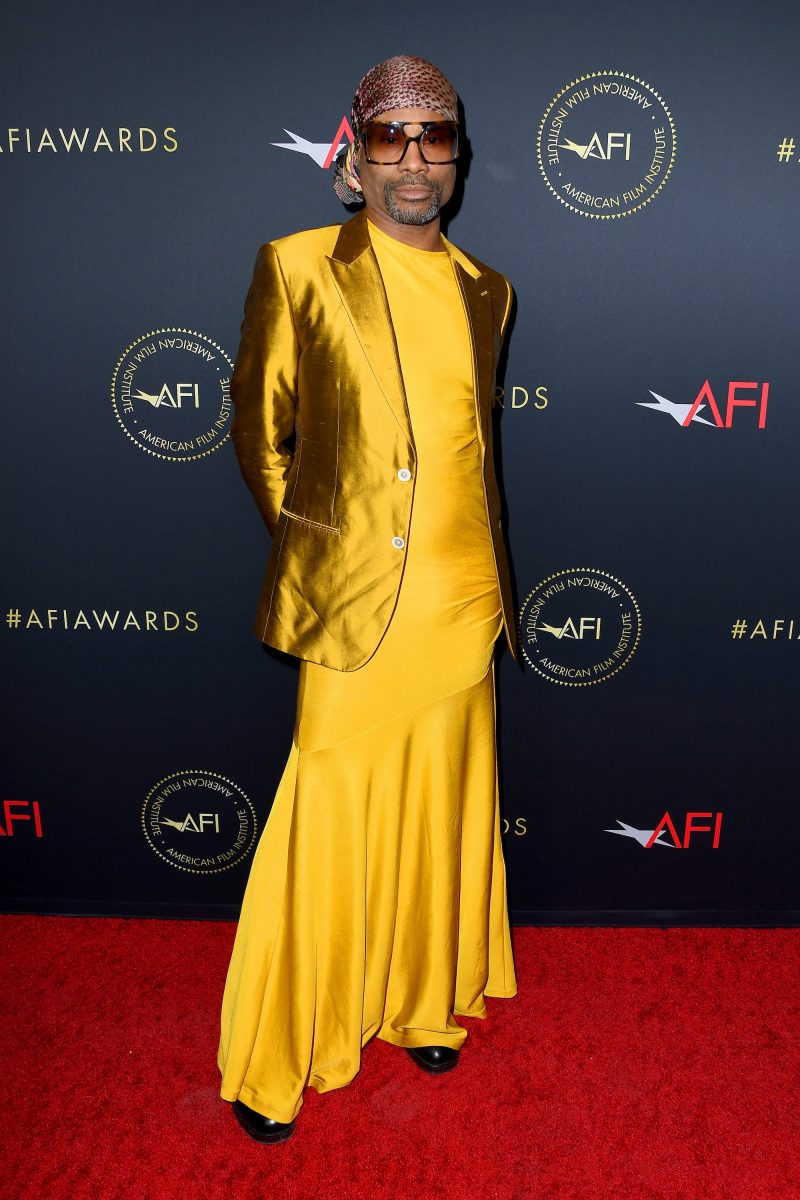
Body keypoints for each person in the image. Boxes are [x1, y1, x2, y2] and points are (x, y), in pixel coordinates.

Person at [218, 54, 517, 1144]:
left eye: (433, 138)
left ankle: (423, 999)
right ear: (352, 153)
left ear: (456, 158)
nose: (412, 163)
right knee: (328, 813)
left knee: (440, 802)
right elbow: (259, 434)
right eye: (389, 138)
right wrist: (326, 557)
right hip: (353, 608)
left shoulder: (489, 289)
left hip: (461, 602)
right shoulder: (296, 266)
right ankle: (277, 1053)